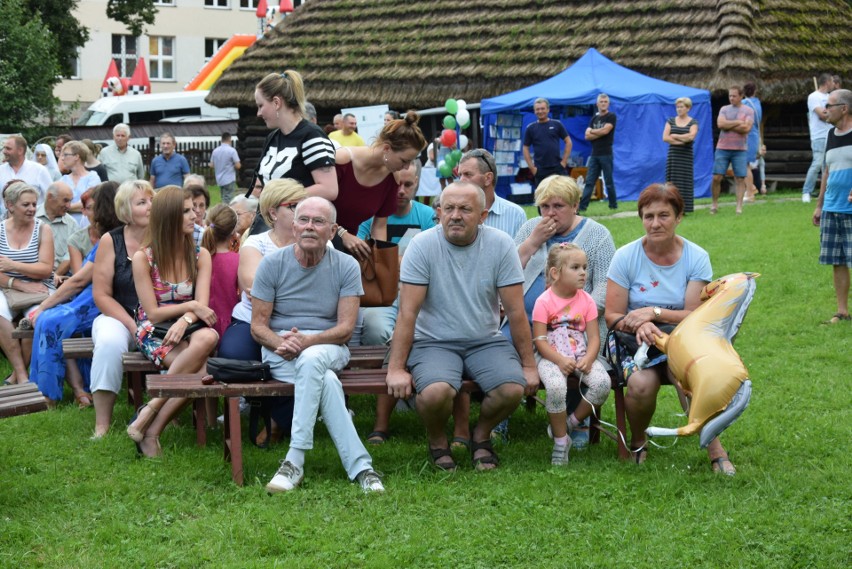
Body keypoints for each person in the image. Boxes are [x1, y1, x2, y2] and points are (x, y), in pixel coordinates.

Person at [385, 182, 539, 472]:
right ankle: (437, 440)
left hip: (485, 339)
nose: (455, 215)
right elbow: (407, 313)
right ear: (439, 212)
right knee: (434, 393)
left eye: (465, 209)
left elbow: (517, 312)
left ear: (482, 216)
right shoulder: (422, 245)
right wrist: (395, 369)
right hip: (433, 341)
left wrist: (529, 366)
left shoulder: (500, 244)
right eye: (449, 208)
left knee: (511, 388)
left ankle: (480, 436)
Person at [252, 196, 384, 493]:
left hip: (329, 345)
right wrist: (281, 342)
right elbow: (258, 326)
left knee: (313, 360)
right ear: (294, 226)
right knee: (325, 381)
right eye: (304, 220)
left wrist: (309, 341)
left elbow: (346, 329)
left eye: (319, 221)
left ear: (333, 229)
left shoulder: (347, 265)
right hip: (281, 350)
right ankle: (363, 468)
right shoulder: (271, 264)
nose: (310, 227)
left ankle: (294, 459)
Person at [604, 183, 735, 474]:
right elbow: (612, 315)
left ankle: (715, 449)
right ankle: (638, 440)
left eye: (663, 215)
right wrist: (642, 325)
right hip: (631, 339)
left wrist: (655, 313)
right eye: (648, 216)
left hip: (681, 336)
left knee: (684, 374)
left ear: (679, 217)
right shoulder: (626, 256)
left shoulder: (695, 256)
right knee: (641, 385)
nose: (654, 223)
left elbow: (694, 314)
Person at [504, 175, 615, 446]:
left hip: (576, 327)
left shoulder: (597, 235)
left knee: (574, 355)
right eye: (544, 206)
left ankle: (575, 421)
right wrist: (532, 242)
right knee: (500, 350)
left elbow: (605, 286)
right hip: (523, 322)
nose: (550, 213)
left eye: (558, 206)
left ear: (575, 205)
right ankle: (500, 421)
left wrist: (570, 311)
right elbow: (505, 271)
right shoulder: (532, 228)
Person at [126, 185, 219, 458]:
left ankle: (151, 410)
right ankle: (152, 432)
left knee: (209, 337)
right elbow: (153, 313)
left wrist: (187, 317)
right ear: (168, 216)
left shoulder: (201, 255)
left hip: (189, 327)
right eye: (186, 211)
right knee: (200, 370)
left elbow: (202, 304)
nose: (195, 215)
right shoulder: (144, 258)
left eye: (195, 209)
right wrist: (189, 307)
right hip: (154, 329)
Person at [218, 179, 307, 443]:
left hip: (302, 323)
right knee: (235, 357)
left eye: (305, 204)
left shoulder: (320, 242)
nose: (303, 211)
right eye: (294, 206)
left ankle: (279, 420)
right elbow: (251, 287)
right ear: (272, 213)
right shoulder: (256, 243)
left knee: (303, 359)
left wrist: (276, 288)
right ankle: (267, 410)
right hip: (252, 319)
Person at [359, 160, 436, 444]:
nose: (401, 191)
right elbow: (364, 261)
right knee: (376, 330)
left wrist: (394, 263)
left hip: (421, 293)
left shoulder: (427, 216)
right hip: (382, 294)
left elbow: (433, 261)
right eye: (395, 185)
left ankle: (406, 388)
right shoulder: (371, 218)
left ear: (417, 183)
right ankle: (386, 388)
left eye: (408, 185)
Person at [29, 182, 122, 406]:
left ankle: (48, 394)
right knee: (48, 318)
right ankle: (72, 387)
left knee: (48, 321)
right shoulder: (111, 236)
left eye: (95, 205)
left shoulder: (110, 238)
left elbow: (80, 280)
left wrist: (43, 307)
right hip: (94, 297)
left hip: (101, 299)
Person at [532, 243, 610, 465]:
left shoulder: (586, 300)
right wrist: (558, 360)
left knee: (602, 384)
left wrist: (589, 358)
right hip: (551, 357)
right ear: (556, 273)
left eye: (584, 267)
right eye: (575, 267)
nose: (583, 272)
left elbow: (594, 337)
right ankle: (560, 442)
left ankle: (570, 423)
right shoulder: (544, 302)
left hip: (581, 354)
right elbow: (539, 340)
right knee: (556, 387)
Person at [90, 180, 154, 437]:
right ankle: (102, 424)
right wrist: (131, 325)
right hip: (118, 315)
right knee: (108, 342)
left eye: (152, 201)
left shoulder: (164, 236)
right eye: (142, 202)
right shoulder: (111, 240)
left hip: (158, 315)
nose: (150, 207)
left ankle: (166, 411)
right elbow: (101, 294)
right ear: (126, 211)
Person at [333, 110, 427, 259]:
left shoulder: (392, 177)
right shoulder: (342, 160)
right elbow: (312, 208)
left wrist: (380, 261)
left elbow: (379, 226)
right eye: (404, 160)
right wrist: (342, 235)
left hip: (348, 251)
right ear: (387, 148)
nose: (407, 167)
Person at [252, 70, 337, 223]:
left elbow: (329, 189)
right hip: (269, 224)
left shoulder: (312, 136)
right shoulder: (272, 138)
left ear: (277, 103)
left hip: (297, 227)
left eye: (260, 105)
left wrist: (281, 197)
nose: (258, 113)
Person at [0, 183, 55, 385]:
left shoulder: (43, 229)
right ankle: (21, 374)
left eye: (34, 204)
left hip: (39, 287)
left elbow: (45, 269)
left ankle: (17, 376)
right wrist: (19, 283)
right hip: (7, 286)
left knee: (36, 318)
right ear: (10, 205)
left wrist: (12, 264)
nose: (32, 209)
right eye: (26, 204)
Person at [812, 88, 852, 324]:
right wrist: (819, 204)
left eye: (830, 106)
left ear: (844, 108)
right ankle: (842, 311)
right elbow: (826, 171)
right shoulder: (830, 135)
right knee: (837, 260)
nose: (825, 110)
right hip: (832, 207)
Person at [710, 86, 754, 215]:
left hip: (740, 149)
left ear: (741, 96)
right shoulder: (724, 109)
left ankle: (739, 207)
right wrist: (737, 122)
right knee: (717, 177)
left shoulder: (748, 111)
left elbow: (746, 128)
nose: (731, 98)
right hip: (722, 148)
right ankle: (714, 204)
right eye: (730, 96)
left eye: (734, 96)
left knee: (740, 178)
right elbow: (720, 124)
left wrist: (728, 124)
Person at [201, 204, 240, 342]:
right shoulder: (238, 260)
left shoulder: (198, 257)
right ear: (234, 232)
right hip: (229, 325)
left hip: (201, 323)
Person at [579, 94, 618, 211]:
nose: (603, 103)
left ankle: (613, 206)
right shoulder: (594, 119)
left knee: (608, 181)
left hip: (606, 153)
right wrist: (598, 132)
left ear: (608, 104)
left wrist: (593, 131)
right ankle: (582, 207)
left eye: (605, 101)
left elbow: (606, 131)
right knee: (589, 182)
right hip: (594, 154)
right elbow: (586, 136)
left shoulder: (611, 116)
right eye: (601, 101)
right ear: (597, 104)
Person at [522, 98, 572, 189]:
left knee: (563, 195)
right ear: (534, 111)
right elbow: (525, 148)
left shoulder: (557, 124)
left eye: (543, 108)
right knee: (542, 200)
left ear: (548, 109)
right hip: (540, 170)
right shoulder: (531, 128)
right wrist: (532, 168)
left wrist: (564, 162)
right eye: (537, 109)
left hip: (557, 167)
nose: (540, 111)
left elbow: (568, 142)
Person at [663, 97, 699, 213]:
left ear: (688, 108)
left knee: (685, 181)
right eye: (677, 107)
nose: (679, 109)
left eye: (681, 107)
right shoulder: (671, 121)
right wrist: (682, 141)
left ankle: (685, 208)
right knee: (672, 181)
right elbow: (665, 137)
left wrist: (675, 135)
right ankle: (671, 207)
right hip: (673, 155)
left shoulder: (693, 122)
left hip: (686, 156)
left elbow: (691, 136)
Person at [0, 135, 53, 214]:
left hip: (33, 222)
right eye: (4, 148)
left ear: (20, 151)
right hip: (4, 223)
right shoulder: (1, 170)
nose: (4, 151)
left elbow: (51, 197)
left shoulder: (39, 170)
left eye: (8, 148)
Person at [803, 74, 834, 203]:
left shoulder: (829, 97)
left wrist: (829, 113)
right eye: (832, 81)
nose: (833, 83)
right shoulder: (813, 97)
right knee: (817, 163)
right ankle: (806, 191)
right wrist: (830, 113)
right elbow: (821, 115)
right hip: (819, 135)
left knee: (828, 166)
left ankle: (828, 192)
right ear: (827, 82)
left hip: (830, 134)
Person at [35, 182, 76, 277]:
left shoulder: (71, 224)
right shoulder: (30, 216)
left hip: (59, 277)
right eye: (65, 200)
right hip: (29, 274)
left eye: (70, 201)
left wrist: (54, 277)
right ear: (50, 197)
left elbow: (70, 257)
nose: (69, 206)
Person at [59, 141, 101, 226]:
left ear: (76, 157)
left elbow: (90, 203)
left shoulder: (93, 177)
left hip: (88, 226)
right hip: (67, 227)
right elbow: (57, 204)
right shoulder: (63, 179)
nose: (62, 158)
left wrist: (65, 208)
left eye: (65, 155)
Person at [66, 190, 98, 274]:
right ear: (83, 211)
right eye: (90, 208)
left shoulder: (118, 235)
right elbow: (78, 277)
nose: (96, 212)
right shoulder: (76, 239)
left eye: (99, 207)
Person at [741, 82, 763, 200]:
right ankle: (751, 187)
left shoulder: (744, 104)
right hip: (754, 135)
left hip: (747, 136)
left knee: (744, 164)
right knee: (746, 164)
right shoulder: (757, 104)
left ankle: (749, 192)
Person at [209, 132, 241, 204]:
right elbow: (238, 165)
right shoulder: (232, 150)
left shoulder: (215, 151)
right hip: (229, 178)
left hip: (219, 179)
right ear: (229, 139)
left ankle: (223, 211)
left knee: (223, 197)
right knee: (228, 199)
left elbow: (211, 165)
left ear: (221, 139)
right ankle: (225, 213)